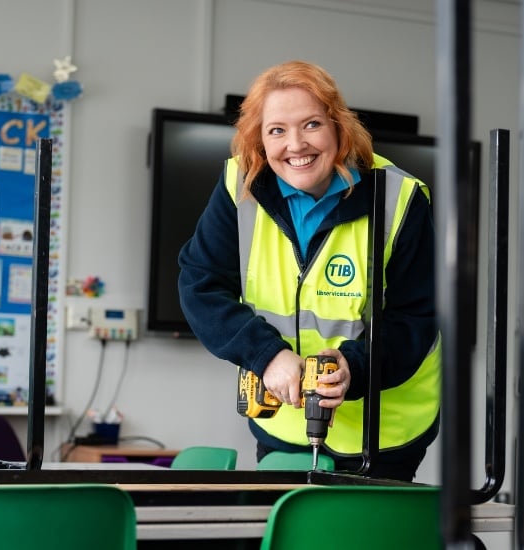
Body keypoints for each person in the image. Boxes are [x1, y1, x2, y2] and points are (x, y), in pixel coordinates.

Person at [177, 60, 440, 482]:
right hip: (285, 425)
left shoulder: (399, 198)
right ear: (259, 140)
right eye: (276, 130)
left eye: (312, 124)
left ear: (339, 128)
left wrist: (355, 368)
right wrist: (268, 355)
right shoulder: (239, 186)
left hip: (383, 430)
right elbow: (200, 284)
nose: (295, 145)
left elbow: (417, 317)